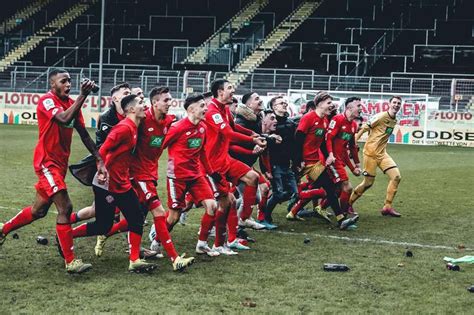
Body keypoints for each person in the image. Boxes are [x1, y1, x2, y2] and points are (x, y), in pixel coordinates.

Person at [0, 69, 106, 273]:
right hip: (46, 163)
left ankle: (3, 230)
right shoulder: (47, 101)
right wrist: (83, 96)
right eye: (63, 81)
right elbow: (64, 119)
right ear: (52, 85)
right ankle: (70, 261)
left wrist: (99, 159)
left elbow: (84, 135)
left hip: (59, 165)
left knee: (38, 211)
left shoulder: (72, 104)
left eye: (69, 81)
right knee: (65, 207)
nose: (68, 85)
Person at [95, 87, 195, 271]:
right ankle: (174, 259)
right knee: (158, 212)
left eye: (170, 99)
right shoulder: (142, 119)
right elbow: (120, 128)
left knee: (137, 218)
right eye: (165, 100)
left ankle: (107, 234)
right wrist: (104, 167)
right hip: (136, 174)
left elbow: (185, 124)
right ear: (154, 103)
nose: (169, 103)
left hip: (150, 174)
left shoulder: (169, 121)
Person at [72, 94, 157, 273]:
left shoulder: (134, 127)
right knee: (103, 226)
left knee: (136, 218)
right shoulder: (123, 128)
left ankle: (134, 260)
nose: (145, 106)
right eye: (141, 103)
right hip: (107, 184)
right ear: (132, 109)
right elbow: (102, 150)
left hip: (122, 184)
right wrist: (102, 171)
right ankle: (67, 235)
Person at [203, 79, 266, 255]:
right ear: (219, 92)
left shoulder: (225, 109)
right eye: (230, 88)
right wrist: (252, 139)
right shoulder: (212, 111)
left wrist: (252, 133)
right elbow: (228, 133)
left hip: (225, 159)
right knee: (224, 203)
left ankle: (243, 220)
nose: (233, 91)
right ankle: (215, 243)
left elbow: (234, 127)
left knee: (252, 178)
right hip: (213, 164)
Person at [162, 94, 225, 257]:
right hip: (177, 177)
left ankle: (202, 244)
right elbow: (159, 147)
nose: (206, 108)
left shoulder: (203, 127)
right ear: (191, 109)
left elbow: (203, 152)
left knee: (212, 205)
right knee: (174, 216)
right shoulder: (177, 127)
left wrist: (211, 173)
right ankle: (157, 240)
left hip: (196, 175)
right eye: (202, 106)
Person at [291, 92, 358, 230]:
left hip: (315, 162)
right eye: (329, 102)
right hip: (305, 161)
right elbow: (298, 139)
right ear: (320, 103)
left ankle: (340, 219)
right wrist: (298, 161)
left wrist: (328, 155)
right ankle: (290, 203)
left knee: (330, 188)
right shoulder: (308, 118)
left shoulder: (325, 121)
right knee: (282, 190)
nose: (331, 105)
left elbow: (322, 143)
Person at [349, 96, 403, 217]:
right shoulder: (381, 116)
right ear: (389, 104)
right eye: (394, 102)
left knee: (396, 177)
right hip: (370, 154)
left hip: (382, 153)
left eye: (398, 103)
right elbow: (364, 128)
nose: (396, 105)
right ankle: (348, 203)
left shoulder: (394, 120)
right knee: (368, 183)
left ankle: (387, 207)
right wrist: (353, 145)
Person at [325, 97, 363, 214]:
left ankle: (317, 208)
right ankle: (342, 216)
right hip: (332, 160)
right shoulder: (337, 119)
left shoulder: (353, 125)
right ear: (349, 108)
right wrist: (330, 155)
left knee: (335, 190)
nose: (361, 108)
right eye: (358, 106)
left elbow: (352, 146)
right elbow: (328, 138)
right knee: (347, 187)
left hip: (341, 161)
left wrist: (356, 165)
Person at [265, 96, 299, 223]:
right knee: (278, 193)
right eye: (281, 103)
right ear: (274, 107)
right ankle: (266, 215)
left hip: (287, 164)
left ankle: (268, 205)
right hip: (275, 164)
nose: (284, 105)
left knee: (294, 193)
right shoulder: (270, 123)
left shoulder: (290, 123)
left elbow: (295, 145)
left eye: (285, 103)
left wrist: (296, 161)